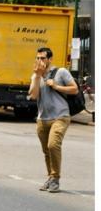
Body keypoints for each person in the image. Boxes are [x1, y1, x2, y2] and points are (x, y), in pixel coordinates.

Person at [28, 46, 78, 193]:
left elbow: (74, 89)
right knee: (46, 151)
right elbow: (34, 95)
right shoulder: (35, 75)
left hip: (60, 116)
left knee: (53, 145)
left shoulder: (61, 72)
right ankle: (51, 178)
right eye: (37, 58)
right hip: (42, 118)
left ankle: (55, 179)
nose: (39, 61)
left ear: (50, 59)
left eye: (43, 58)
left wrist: (56, 86)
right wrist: (37, 76)